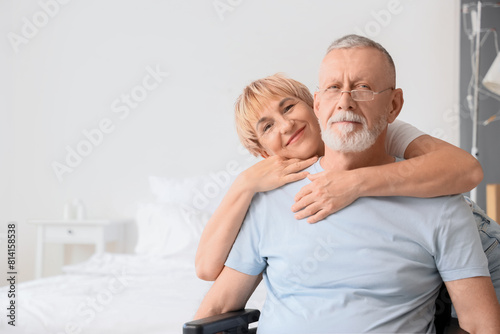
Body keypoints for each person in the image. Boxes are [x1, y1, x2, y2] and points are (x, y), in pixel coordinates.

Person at [194, 35, 500, 333]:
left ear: (393, 106)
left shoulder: (416, 168)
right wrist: (244, 183)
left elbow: (467, 170)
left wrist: (351, 184)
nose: (345, 102)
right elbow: (212, 291)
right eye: (333, 88)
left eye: (363, 87)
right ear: (319, 102)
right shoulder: (266, 199)